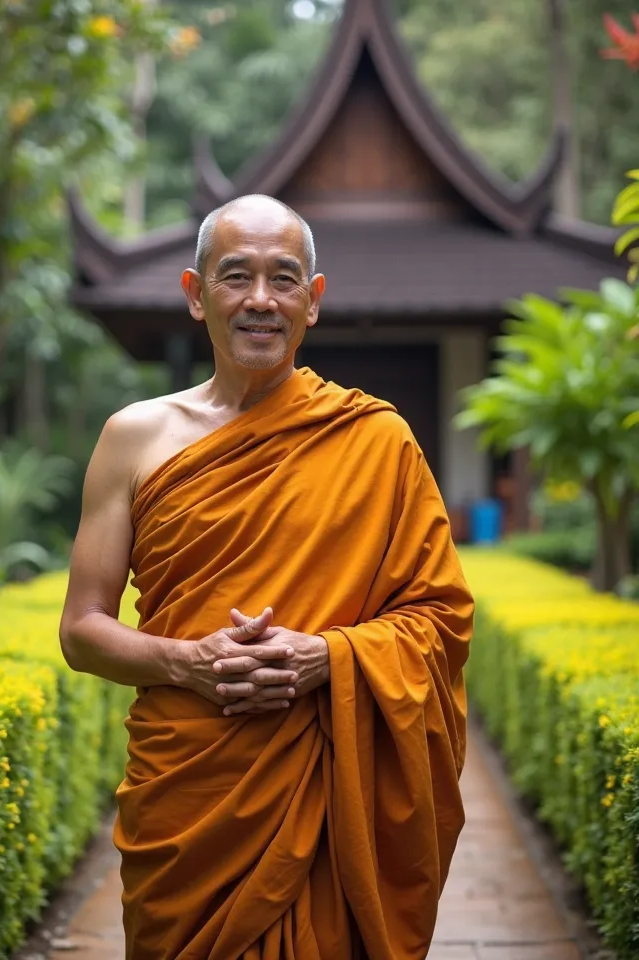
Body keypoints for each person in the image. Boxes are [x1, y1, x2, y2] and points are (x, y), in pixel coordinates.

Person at [59, 194, 474, 960]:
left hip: (323, 792)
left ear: (312, 302)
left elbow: (440, 619)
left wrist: (330, 658)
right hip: (190, 793)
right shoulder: (134, 439)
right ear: (194, 293)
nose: (260, 300)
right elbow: (82, 630)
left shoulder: (376, 439)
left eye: (284, 279)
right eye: (235, 276)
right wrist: (187, 661)